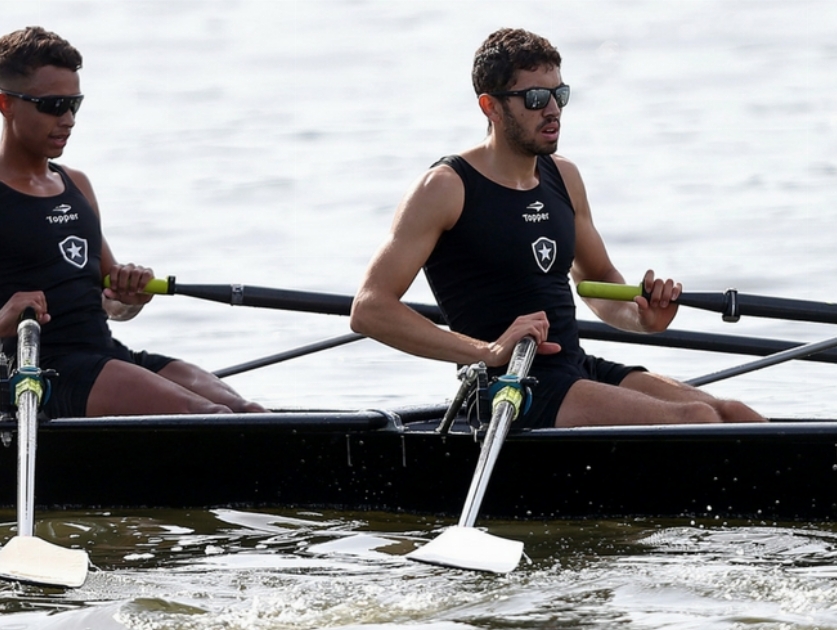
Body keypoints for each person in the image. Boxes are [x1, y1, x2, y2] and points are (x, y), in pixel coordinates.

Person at [350, 27, 764, 427]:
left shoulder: (563, 177)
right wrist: (490, 351)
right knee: (696, 420)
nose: (552, 110)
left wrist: (643, 319)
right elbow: (370, 308)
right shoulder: (445, 188)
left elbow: (597, 279)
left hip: (572, 366)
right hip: (507, 388)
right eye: (534, 98)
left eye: (559, 95)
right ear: (490, 107)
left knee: (734, 414)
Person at [0, 26, 265, 417]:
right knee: (212, 419)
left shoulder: (78, 185)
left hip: (106, 355)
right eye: (54, 106)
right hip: (42, 372)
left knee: (249, 411)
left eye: (76, 104)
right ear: (6, 104)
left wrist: (130, 296)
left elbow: (109, 302)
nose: (69, 119)